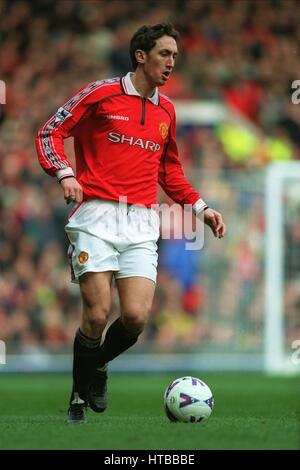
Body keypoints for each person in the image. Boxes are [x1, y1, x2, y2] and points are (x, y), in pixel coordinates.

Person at [35, 23, 226, 424]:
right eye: (164, 54)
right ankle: (77, 399)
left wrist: (201, 207)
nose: (172, 62)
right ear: (141, 55)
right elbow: (51, 131)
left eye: (175, 55)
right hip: (96, 216)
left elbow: (170, 172)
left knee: (136, 318)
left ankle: (96, 367)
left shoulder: (167, 110)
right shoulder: (101, 94)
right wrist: (65, 173)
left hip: (141, 219)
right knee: (97, 313)